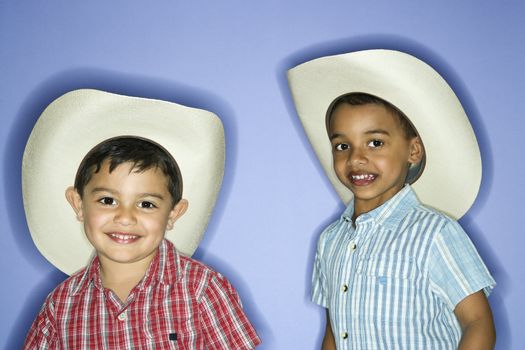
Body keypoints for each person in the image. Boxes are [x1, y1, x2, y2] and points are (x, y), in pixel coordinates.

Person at [288, 50, 496, 349]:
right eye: (342, 145)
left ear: (413, 151)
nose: (356, 158)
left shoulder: (435, 234)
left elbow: (479, 322)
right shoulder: (330, 241)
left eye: (375, 143)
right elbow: (334, 330)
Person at [22, 89, 261, 349]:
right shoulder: (60, 306)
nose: (125, 217)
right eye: (107, 200)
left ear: (173, 214)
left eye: (146, 204)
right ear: (79, 204)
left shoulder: (202, 288)